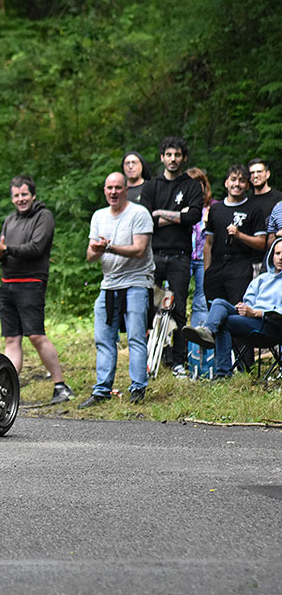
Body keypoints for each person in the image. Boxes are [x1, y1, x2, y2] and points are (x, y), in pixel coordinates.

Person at [0, 175, 74, 405]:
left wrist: (7, 249)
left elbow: (36, 248)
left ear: (33, 195)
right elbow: (8, 252)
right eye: (16, 195)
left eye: (24, 194)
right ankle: (6, 389)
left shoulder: (44, 217)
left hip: (31, 284)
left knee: (36, 336)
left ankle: (61, 386)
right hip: (7, 285)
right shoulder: (10, 220)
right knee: (11, 340)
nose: (20, 199)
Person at [80, 172, 154, 408]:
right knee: (103, 339)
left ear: (125, 190)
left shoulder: (139, 213)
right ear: (104, 191)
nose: (113, 192)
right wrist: (99, 249)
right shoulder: (99, 216)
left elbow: (139, 249)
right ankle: (102, 390)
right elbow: (90, 256)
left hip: (136, 282)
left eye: (118, 188)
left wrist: (108, 247)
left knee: (135, 337)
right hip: (108, 284)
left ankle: (138, 389)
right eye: (109, 188)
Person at [138, 136, 204, 377]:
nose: (173, 159)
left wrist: (161, 214)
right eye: (168, 155)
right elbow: (146, 220)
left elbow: (194, 216)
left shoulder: (192, 186)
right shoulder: (151, 186)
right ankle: (147, 359)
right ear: (162, 157)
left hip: (180, 256)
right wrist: (177, 215)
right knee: (148, 306)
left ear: (184, 157)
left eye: (177, 155)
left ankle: (178, 362)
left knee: (178, 309)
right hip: (153, 256)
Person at [183, 238, 282, 379]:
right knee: (219, 303)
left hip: (272, 326)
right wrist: (244, 308)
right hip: (251, 320)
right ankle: (209, 331)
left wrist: (255, 313)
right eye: (277, 253)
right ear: (272, 255)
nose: (280, 257)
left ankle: (222, 373)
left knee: (225, 322)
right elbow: (249, 301)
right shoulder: (262, 279)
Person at [203, 164, 266, 306]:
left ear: (247, 186)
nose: (237, 184)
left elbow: (261, 243)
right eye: (233, 179)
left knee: (237, 309)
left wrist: (239, 235)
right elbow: (209, 243)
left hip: (240, 266)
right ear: (226, 183)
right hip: (216, 266)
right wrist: (207, 270)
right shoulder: (215, 209)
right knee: (213, 307)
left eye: (242, 181)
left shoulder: (254, 209)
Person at [186, 168, 214, 327]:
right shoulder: (180, 207)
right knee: (172, 300)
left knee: (201, 302)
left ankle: (198, 349)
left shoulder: (214, 207)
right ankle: (172, 347)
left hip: (205, 259)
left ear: (204, 186)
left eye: (199, 183)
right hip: (183, 257)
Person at [247, 158, 281, 225]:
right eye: (252, 173)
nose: (255, 175)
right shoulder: (246, 201)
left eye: (259, 171)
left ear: (267, 174)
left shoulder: (279, 198)